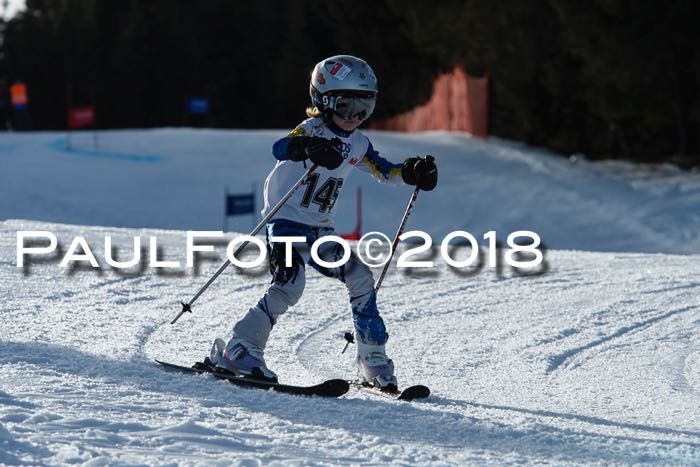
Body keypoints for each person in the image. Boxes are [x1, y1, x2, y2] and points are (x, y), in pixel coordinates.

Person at [210, 55, 438, 389]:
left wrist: (411, 171)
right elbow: (281, 147)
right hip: (286, 221)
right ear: (324, 101)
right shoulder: (313, 130)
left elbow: (384, 171)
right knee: (289, 285)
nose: (355, 117)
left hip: (320, 230)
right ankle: (239, 349)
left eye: (364, 109)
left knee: (360, 277)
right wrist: (309, 147)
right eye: (347, 107)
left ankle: (371, 358)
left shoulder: (358, 143)